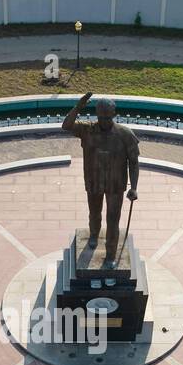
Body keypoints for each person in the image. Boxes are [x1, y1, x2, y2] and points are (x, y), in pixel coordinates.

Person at [61, 92, 140, 264]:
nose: (104, 121)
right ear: (97, 115)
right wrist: (78, 107)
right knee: (94, 213)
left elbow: (134, 163)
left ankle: (111, 254)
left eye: (107, 117)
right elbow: (66, 125)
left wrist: (134, 187)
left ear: (114, 115)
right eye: (101, 117)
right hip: (94, 180)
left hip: (116, 184)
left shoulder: (125, 134)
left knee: (113, 220)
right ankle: (94, 236)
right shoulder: (87, 130)